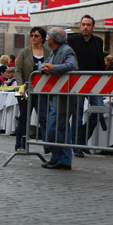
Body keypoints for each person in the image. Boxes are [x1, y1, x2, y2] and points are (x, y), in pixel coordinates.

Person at [39, 28, 78, 170]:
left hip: (63, 97)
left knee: (54, 128)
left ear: (53, 39)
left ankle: (59, 158)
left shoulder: (67, 50)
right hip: (55, 95)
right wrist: (44, 67)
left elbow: (72, 66)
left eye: (48, 36)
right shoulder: (54, 52)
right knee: (61, 129)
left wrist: (53, 68)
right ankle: (62, 160)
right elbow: (42, 64)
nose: (46, 38)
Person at [67, 15, 106, 157]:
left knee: (99, 110)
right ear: (79, 26)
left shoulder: (98, 41)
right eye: (83, 24)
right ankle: (77, 146)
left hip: (94, 83)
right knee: (77, 115)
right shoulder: (71, 40)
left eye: (88, 25)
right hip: (77, 82)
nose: (85, 27)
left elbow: (100, 61)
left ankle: (81, 140)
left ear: (93, 27)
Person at [14, 26, 51, 152]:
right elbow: (18, 71)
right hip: (24, 91)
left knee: (44, 117)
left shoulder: (48, 53)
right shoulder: (24, 52)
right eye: (31, 35)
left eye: (36, 36)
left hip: (42, 90)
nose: (33, 38)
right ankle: (20, 144)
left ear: (42, 38)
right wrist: (22, 87)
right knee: (24, 116)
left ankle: (48, 145)